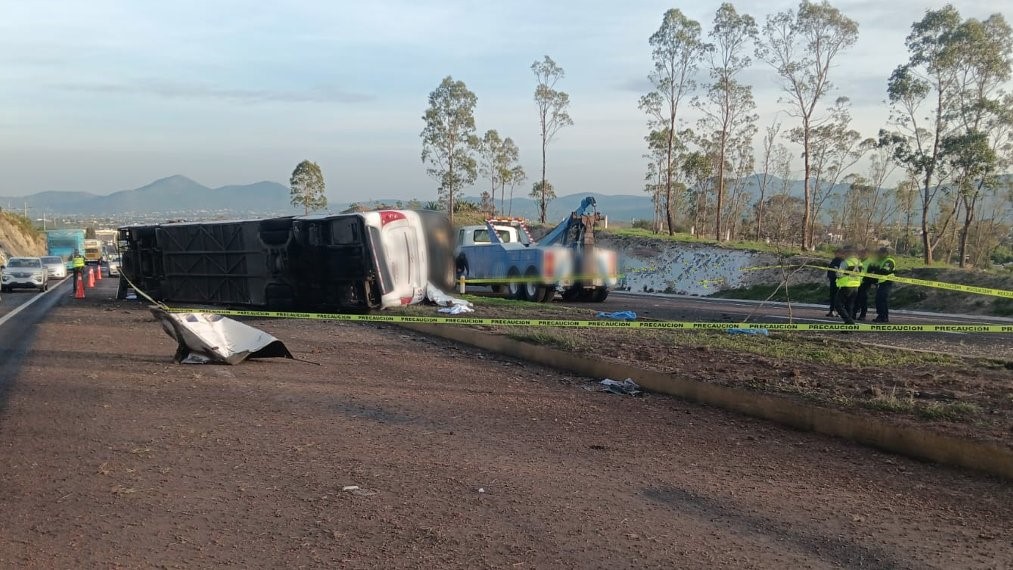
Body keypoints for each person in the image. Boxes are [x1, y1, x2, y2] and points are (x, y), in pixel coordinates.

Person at [834, 246, 863, 325]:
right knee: (849, 306)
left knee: (837, 304)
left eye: (844, 253)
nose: (843, 255)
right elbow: (862, 275)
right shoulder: (859, 263)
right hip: (856, 286)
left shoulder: (846, 262)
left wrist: (836, 271)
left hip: (846, 286)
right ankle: (848, 328)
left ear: (847, 254)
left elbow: (839, 274)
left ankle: (848, 321)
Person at [872, 247, 896, 323]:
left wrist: (876, 270)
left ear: (885, 253)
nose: (879, 254)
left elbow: (885, 271)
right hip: (882, 282)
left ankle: (883, 317)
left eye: (880, 253)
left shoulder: (889, 261)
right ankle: (882, 316)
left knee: (882, 300)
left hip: (886, 282)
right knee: (879, 300)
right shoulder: (883, 260)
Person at [855, 247, 876, 321]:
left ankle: (863, 315)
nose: (862, 254)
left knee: (863, 299)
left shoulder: (871, 262)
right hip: (857, 282)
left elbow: (873, 273)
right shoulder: (858, 261)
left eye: (864, 253)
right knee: (856, 298)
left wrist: (871, 282)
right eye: (861, 253)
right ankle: (853, 314)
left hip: (865, 283)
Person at [826, 248, 844, 317]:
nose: (835, 254)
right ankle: (832, 310)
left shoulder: (841, 261)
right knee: (833, 296)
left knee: (837, 297)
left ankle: (836, 311)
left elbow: (838, 271)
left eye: (837, 253)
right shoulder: (835, 260)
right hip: (833, 281)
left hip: (838, 282)